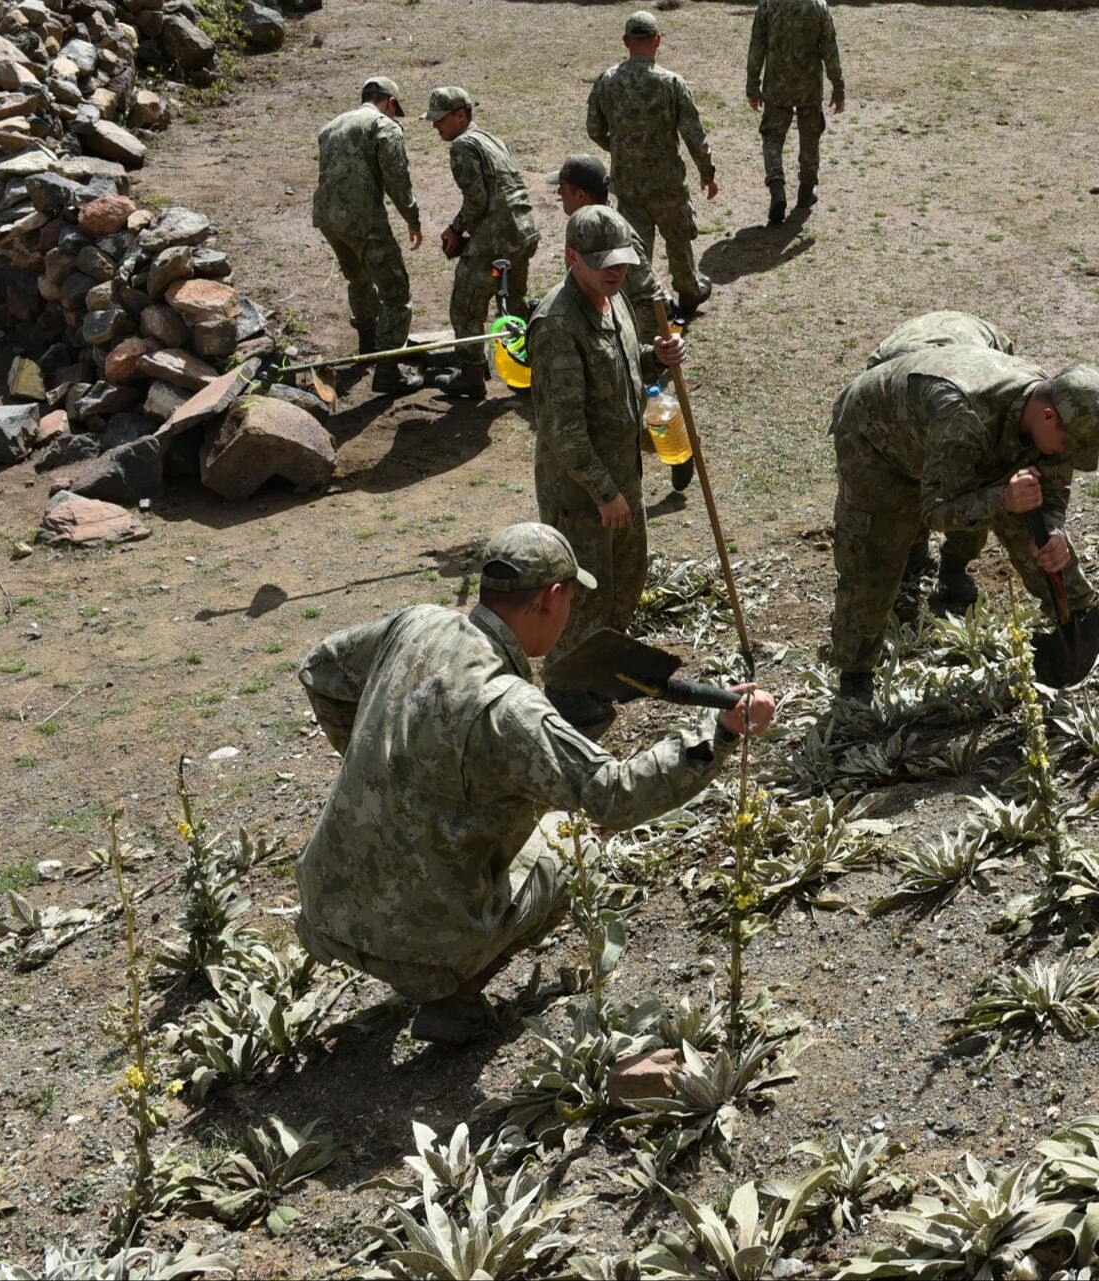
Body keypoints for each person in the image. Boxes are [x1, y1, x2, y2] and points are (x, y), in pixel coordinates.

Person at [294, 522, 777, 1044]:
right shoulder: (510, 707)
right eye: (570, 601)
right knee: (576, 840)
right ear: (551, 598)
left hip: (324, 910)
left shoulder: (417, 624)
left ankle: (433, 955)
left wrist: (375, 765)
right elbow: (613, 796)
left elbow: (320, 669)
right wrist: (720, 733)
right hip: (423, 945)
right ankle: (455, 993)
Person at [827, 347, 1099, 705]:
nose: (1067, 454)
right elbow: (935, 512)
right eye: (1068, 445)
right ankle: (855, 676)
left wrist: (1053, 531)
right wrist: (1003, 499)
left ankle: (1082, 634)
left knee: (1037, 529)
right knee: (876, 549)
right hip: (876, 440)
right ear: (1047, 415)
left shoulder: (1057, 414)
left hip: (956, 434)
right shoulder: (963, 417)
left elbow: (1052, 491)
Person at [529, 204, 686, 735]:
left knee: (626, 580)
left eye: (621, 262)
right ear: (572, 258)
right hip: (581, 490)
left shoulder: (611, 303)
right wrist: (602, 493)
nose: (615, 272)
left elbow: (618, 364)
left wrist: (654, 354)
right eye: (603, 264)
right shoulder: (556, 324)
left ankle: (599, 670)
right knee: (583, 594)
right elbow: (562, 428)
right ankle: (567, 688)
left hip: (622, 476)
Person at [556, 154, 693, 496]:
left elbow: (645, 288)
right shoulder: (589, 228)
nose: (559, 196)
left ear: (582, 196)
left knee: (632, 403)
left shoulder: (614, 233)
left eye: (564, 191)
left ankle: (677, 451)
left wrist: (652, 345)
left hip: (631, 320)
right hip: (610, 318)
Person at [865, 311, 1016, 617]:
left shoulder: (989, 379)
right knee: (903, 475)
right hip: (897, 364)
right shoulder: (896, 384)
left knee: (975, 477)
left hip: (964, 349)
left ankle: (953, 569)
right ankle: (914, 556)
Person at [587, 10, 720, 318]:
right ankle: (688, 292)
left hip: (628, 183)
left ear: (625, 41)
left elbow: (594, 129)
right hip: (668, 183)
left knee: (635, 247)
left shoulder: (607, 81)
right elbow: (693, 134)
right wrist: (707, 174)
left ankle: (640, 303)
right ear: (658, 41)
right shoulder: (671, 83)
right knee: (678, 239)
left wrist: (620, 149)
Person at [424, 87, 541, 401]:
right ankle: (530, 369)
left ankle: (472, 375)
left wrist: (455, 230)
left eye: (440, 119)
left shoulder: (462, 145)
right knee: (516, 303)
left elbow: (476, 200)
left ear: (461, 115)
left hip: (498, 236)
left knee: (464, 307)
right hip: (523, 230)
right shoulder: (489, 138)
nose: (436, 126)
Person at [312, 75, 424, 394]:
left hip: (327, 219)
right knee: (396, 291)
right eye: (394, 109)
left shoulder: (331, 126)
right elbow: (397, 180)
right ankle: (388, 371)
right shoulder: (383, 126)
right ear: (389, 101)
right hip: (364, 220)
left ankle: (367, 346)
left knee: (359, 278)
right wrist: (412, 219)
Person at [744, 0, 844, 227]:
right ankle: (806, 191)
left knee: (772, 137)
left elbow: (757, 46)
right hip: (809, 87)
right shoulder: (818, 6)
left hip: (777, 86)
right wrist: (838, 85)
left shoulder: (768, 5)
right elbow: (830, 48)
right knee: (810, 136)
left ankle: (777, 186)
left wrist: (752, 85)